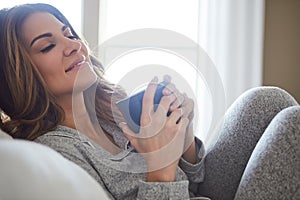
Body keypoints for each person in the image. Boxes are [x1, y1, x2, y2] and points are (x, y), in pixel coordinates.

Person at [0, 3, 299, 200]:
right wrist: (159, 166)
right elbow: (168, 179)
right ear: (17, 75)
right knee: (292, 125)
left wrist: (183, 142)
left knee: (266, 100)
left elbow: (194, 181)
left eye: (69, 34)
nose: (75, 45)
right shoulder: (57, 152)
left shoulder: (112, 109)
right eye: (48, 45)